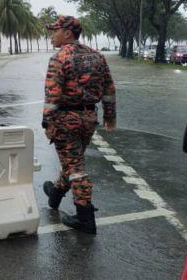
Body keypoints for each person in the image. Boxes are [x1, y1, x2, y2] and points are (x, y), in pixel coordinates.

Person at [41, 15, 116, 234]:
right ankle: (54, 194)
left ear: (67, 33)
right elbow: (109, 90)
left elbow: (52, 95)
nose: (51, 35)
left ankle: (85, 219)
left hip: (66, 119)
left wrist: (48, 122)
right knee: (73, 160)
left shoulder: (60, 57)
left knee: (75, 168)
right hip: (89, 119)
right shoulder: (97, 56)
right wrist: (110, 117)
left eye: (54, 31)